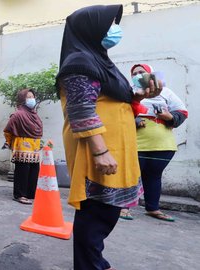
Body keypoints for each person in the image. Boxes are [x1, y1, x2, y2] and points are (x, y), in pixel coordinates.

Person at [56, 5, 162, 270]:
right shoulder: (79, 61)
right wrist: (100, 151)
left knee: (107, 213)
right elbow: (81, 108)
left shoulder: (99, 60)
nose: (114, 30)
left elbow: (114, 100)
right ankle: (89, 264)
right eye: (107, 24)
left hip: (115, 149)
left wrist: (139, 96)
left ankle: (95, 260)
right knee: (96, 215)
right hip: (99, 152)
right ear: (89, 29)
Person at [119, 64, 188, 222]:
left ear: (150, 74)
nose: (138, 75)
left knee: (154, 176)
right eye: (134, 73)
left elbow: (182, 112)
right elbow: (119, 111)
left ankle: (153, 208)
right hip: (135, 142)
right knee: (132, 175)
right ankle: (124, 207)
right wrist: (134, 119)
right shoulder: (128, 92)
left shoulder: (165, 91)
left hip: (163, 144)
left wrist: (168, 117)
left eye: (141, 72)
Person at [3, 89, 43, 205]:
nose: (32, 99)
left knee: (34, 171)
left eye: (33, 96)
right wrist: (10, 143)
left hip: (34, 148)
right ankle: (19, 195)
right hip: (22, 148)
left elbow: (38, 131)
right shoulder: (17, 115)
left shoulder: (34, 115)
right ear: (22, 99)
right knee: (23, 172)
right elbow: (8, 130)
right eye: (28, 97)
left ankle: (30, 194)